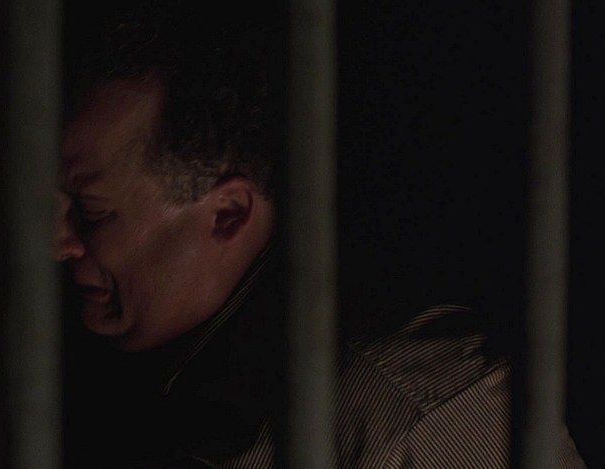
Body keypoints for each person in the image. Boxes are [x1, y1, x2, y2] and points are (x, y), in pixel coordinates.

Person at [54, 6, 586, 468]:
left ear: (228, 214)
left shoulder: (413, 407)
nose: (56, 242)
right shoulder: (137, 380)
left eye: (90, 212)